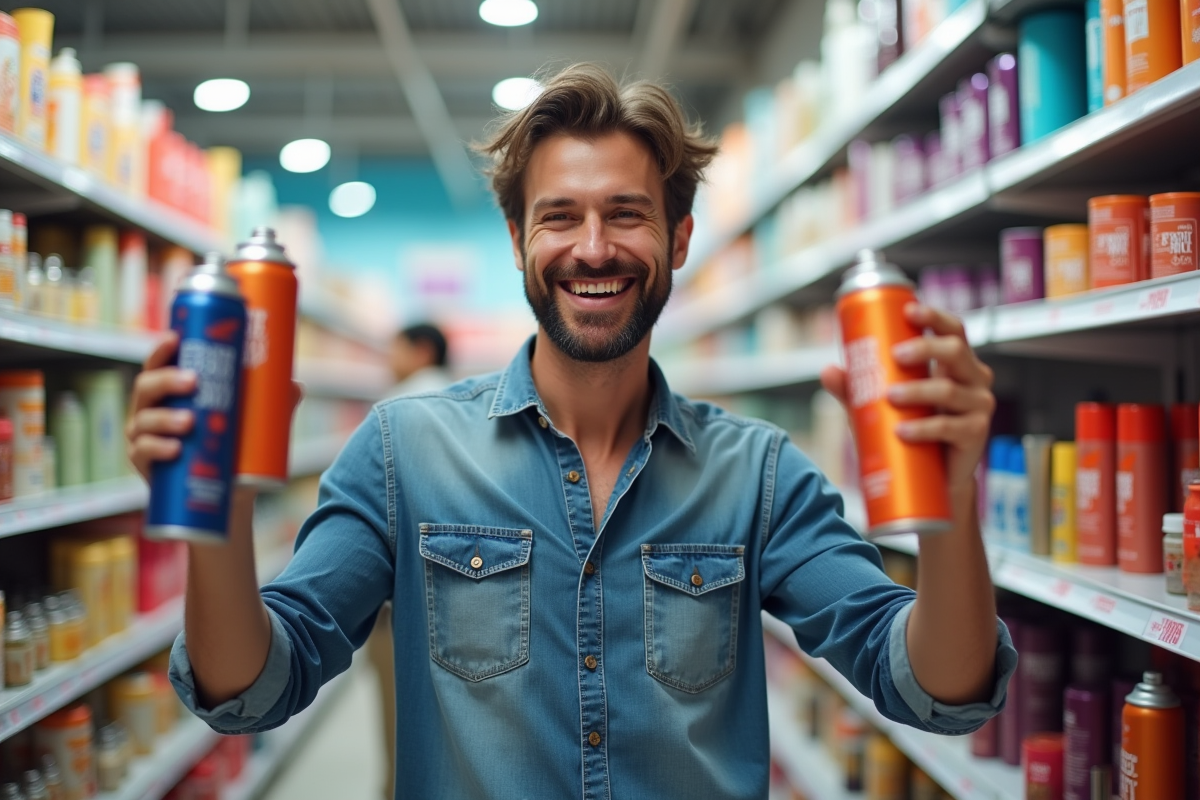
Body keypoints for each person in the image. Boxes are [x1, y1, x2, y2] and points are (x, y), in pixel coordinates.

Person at [127, 64, 1015, 799]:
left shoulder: (759, 476)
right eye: (559, 216)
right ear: (517, 240)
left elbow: (935, 687)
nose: (594, 247)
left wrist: (952, 501)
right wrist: (217, 502)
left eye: (627, 213)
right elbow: (251, 688)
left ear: (679, 236)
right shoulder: (404, 452)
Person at [372, 321, 453, 798]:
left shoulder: (397, 411)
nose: (389, 358)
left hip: (401, 610)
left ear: (421, 351)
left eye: (395, 348)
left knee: (400, 731)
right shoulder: (476, 407)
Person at [387, 322, 452, 398]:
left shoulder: (415, 394)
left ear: (422, 352)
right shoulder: (446, 389)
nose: (391, 357)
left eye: (398, 349)